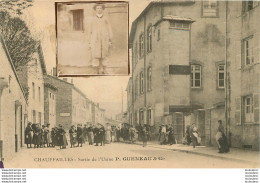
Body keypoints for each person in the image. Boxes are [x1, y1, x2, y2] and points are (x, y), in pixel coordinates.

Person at [88, 3, 113, 74]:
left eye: (100, 8)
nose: (99, 9)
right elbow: (89, 31)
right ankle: (96, 70)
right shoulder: (92, 20)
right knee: (95, 55)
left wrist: (110, 40)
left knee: (105, 55)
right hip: (95, 40)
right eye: (97, 8)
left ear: (103, 9)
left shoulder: (106, 19)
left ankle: (104, 70)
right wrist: (89, 42)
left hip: (104, 40)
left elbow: (109, 30)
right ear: (95, 10)